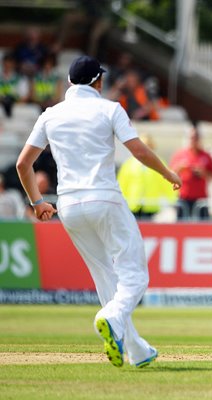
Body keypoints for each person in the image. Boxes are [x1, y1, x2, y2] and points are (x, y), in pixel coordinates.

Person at [15, 55, 182, 368]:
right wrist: (168, 173)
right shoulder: (109, 108)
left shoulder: (51, 114)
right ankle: (110, 316)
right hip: (104, 198)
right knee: (135, 275)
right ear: (99, 82)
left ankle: (136, 350)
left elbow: (23, 164)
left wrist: (38, 203)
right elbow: (140, 151)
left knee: (105, 278)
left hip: (68, 206)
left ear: (68, 82)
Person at [117, 134, 178, 219]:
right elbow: (122, 184)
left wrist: (173, 201)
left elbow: (167, 184)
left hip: (151, 206)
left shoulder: (159, 163)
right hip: (132, 206)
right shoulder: (128, 164)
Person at [170, 125, 212, 220]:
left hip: (201, 198)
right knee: (181, 227)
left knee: (202, 227)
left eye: (196, 138)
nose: (193, 140)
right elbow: (170, 173)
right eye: (191, 138)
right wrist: (180, 168)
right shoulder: (180, 154)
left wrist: (203, 172)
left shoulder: (206, 155)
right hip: (184, 197)